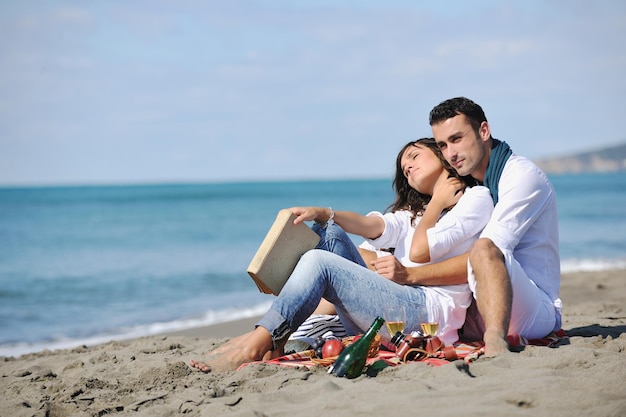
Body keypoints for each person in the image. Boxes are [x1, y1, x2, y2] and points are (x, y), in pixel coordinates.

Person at [190, 138, 494, 373]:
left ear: (442, 156)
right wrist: (325, 212)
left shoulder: (473, 198)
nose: (409, 167)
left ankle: (259, 342)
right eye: (404, 168)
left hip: (428, 318)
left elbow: (419, 251)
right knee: (331, 232)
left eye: (415, 156)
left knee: (319, 262)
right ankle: (271, 335)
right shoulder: (410, 215)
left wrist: (439, 201)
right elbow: (369, 225)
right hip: (395, 306)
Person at [396, 97, 561, 356]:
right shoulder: (472, 185)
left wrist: (409, 276)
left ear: (484, 131)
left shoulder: (521, 177)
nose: (451, 153)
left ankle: (495, 343)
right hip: (477, 302)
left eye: (457, 139)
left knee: (484, 248)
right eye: (443, 145)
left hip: (532, 308)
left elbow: (486, 254)